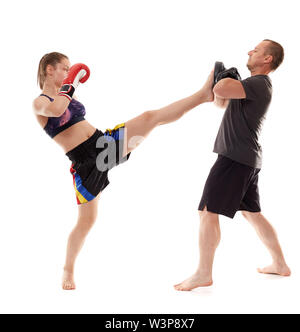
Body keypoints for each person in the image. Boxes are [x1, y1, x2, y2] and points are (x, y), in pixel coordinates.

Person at [33, 52, 214, 290]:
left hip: (103, 145)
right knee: (86, 222)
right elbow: (57, 110)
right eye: (64, 68)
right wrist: (72, 81)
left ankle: (203, 95)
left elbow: (67, 107)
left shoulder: (66, 93)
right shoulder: (40, 102)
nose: (69, 72)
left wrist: (69, 84)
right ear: (49, 69)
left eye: (70, 69)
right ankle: (67, 270)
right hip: (86, 164)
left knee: (151, 118)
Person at [174, 39, 291, 291]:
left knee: (207, 211)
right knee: (252, 213)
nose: (250, 51)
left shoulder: (259, 83)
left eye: (256, 50)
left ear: (267, 59)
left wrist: (221, 77)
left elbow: (222, 89)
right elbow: (220, 99)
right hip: (246, 159)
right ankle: (280, 264)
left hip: (235, 159)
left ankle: (203, 273)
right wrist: (220, 81)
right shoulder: (249, 87)